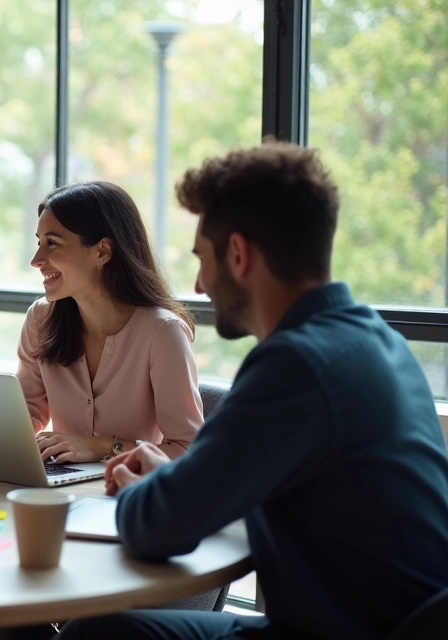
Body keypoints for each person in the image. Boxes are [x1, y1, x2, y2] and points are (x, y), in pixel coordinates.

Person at [59, 143, 448, 639]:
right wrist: (167, 479)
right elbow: (218, 482)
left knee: (97, 634)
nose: (199, 284)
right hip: (389, 623)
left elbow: (160, 529)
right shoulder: (376, 340)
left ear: (239, 254)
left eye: (203, 258)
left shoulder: (296, 365)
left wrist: (142, 494)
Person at [0, 181, 202, 464]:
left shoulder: (162, 333)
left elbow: (188, 450)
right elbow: (16, 432)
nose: (36, 259)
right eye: (39, 243)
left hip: (127, 496)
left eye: (52, 243)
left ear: (102, 251)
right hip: (58, 489)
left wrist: (102, 446)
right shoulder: (41, 318)